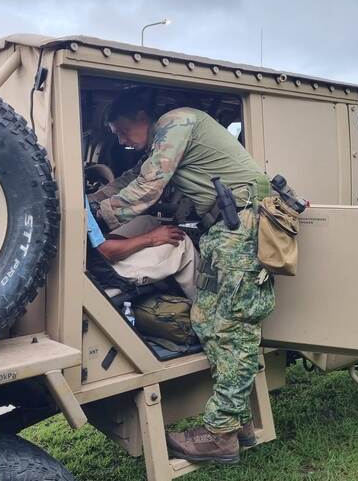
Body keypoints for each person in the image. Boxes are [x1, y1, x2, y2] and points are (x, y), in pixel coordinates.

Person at [88, 88, 273, 464]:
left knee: (228, 326)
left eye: (123, 131)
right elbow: (131, 178)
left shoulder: (176, 122)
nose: (121, 140)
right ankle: (237, 423)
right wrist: (86, 203)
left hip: (243, 224)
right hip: (232, 225)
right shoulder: (163, 137)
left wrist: (91, 220)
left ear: (143, 116)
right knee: (211, 321)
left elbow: (149, 186)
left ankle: (220, 434)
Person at [85, 199, 198, 300]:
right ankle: (204, 311)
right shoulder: (75, 193)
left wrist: (140, 239)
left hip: (89, 258)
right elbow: (106, 252)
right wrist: (151, 238)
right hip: (99, 275)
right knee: (179, 241)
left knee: (148, 222)